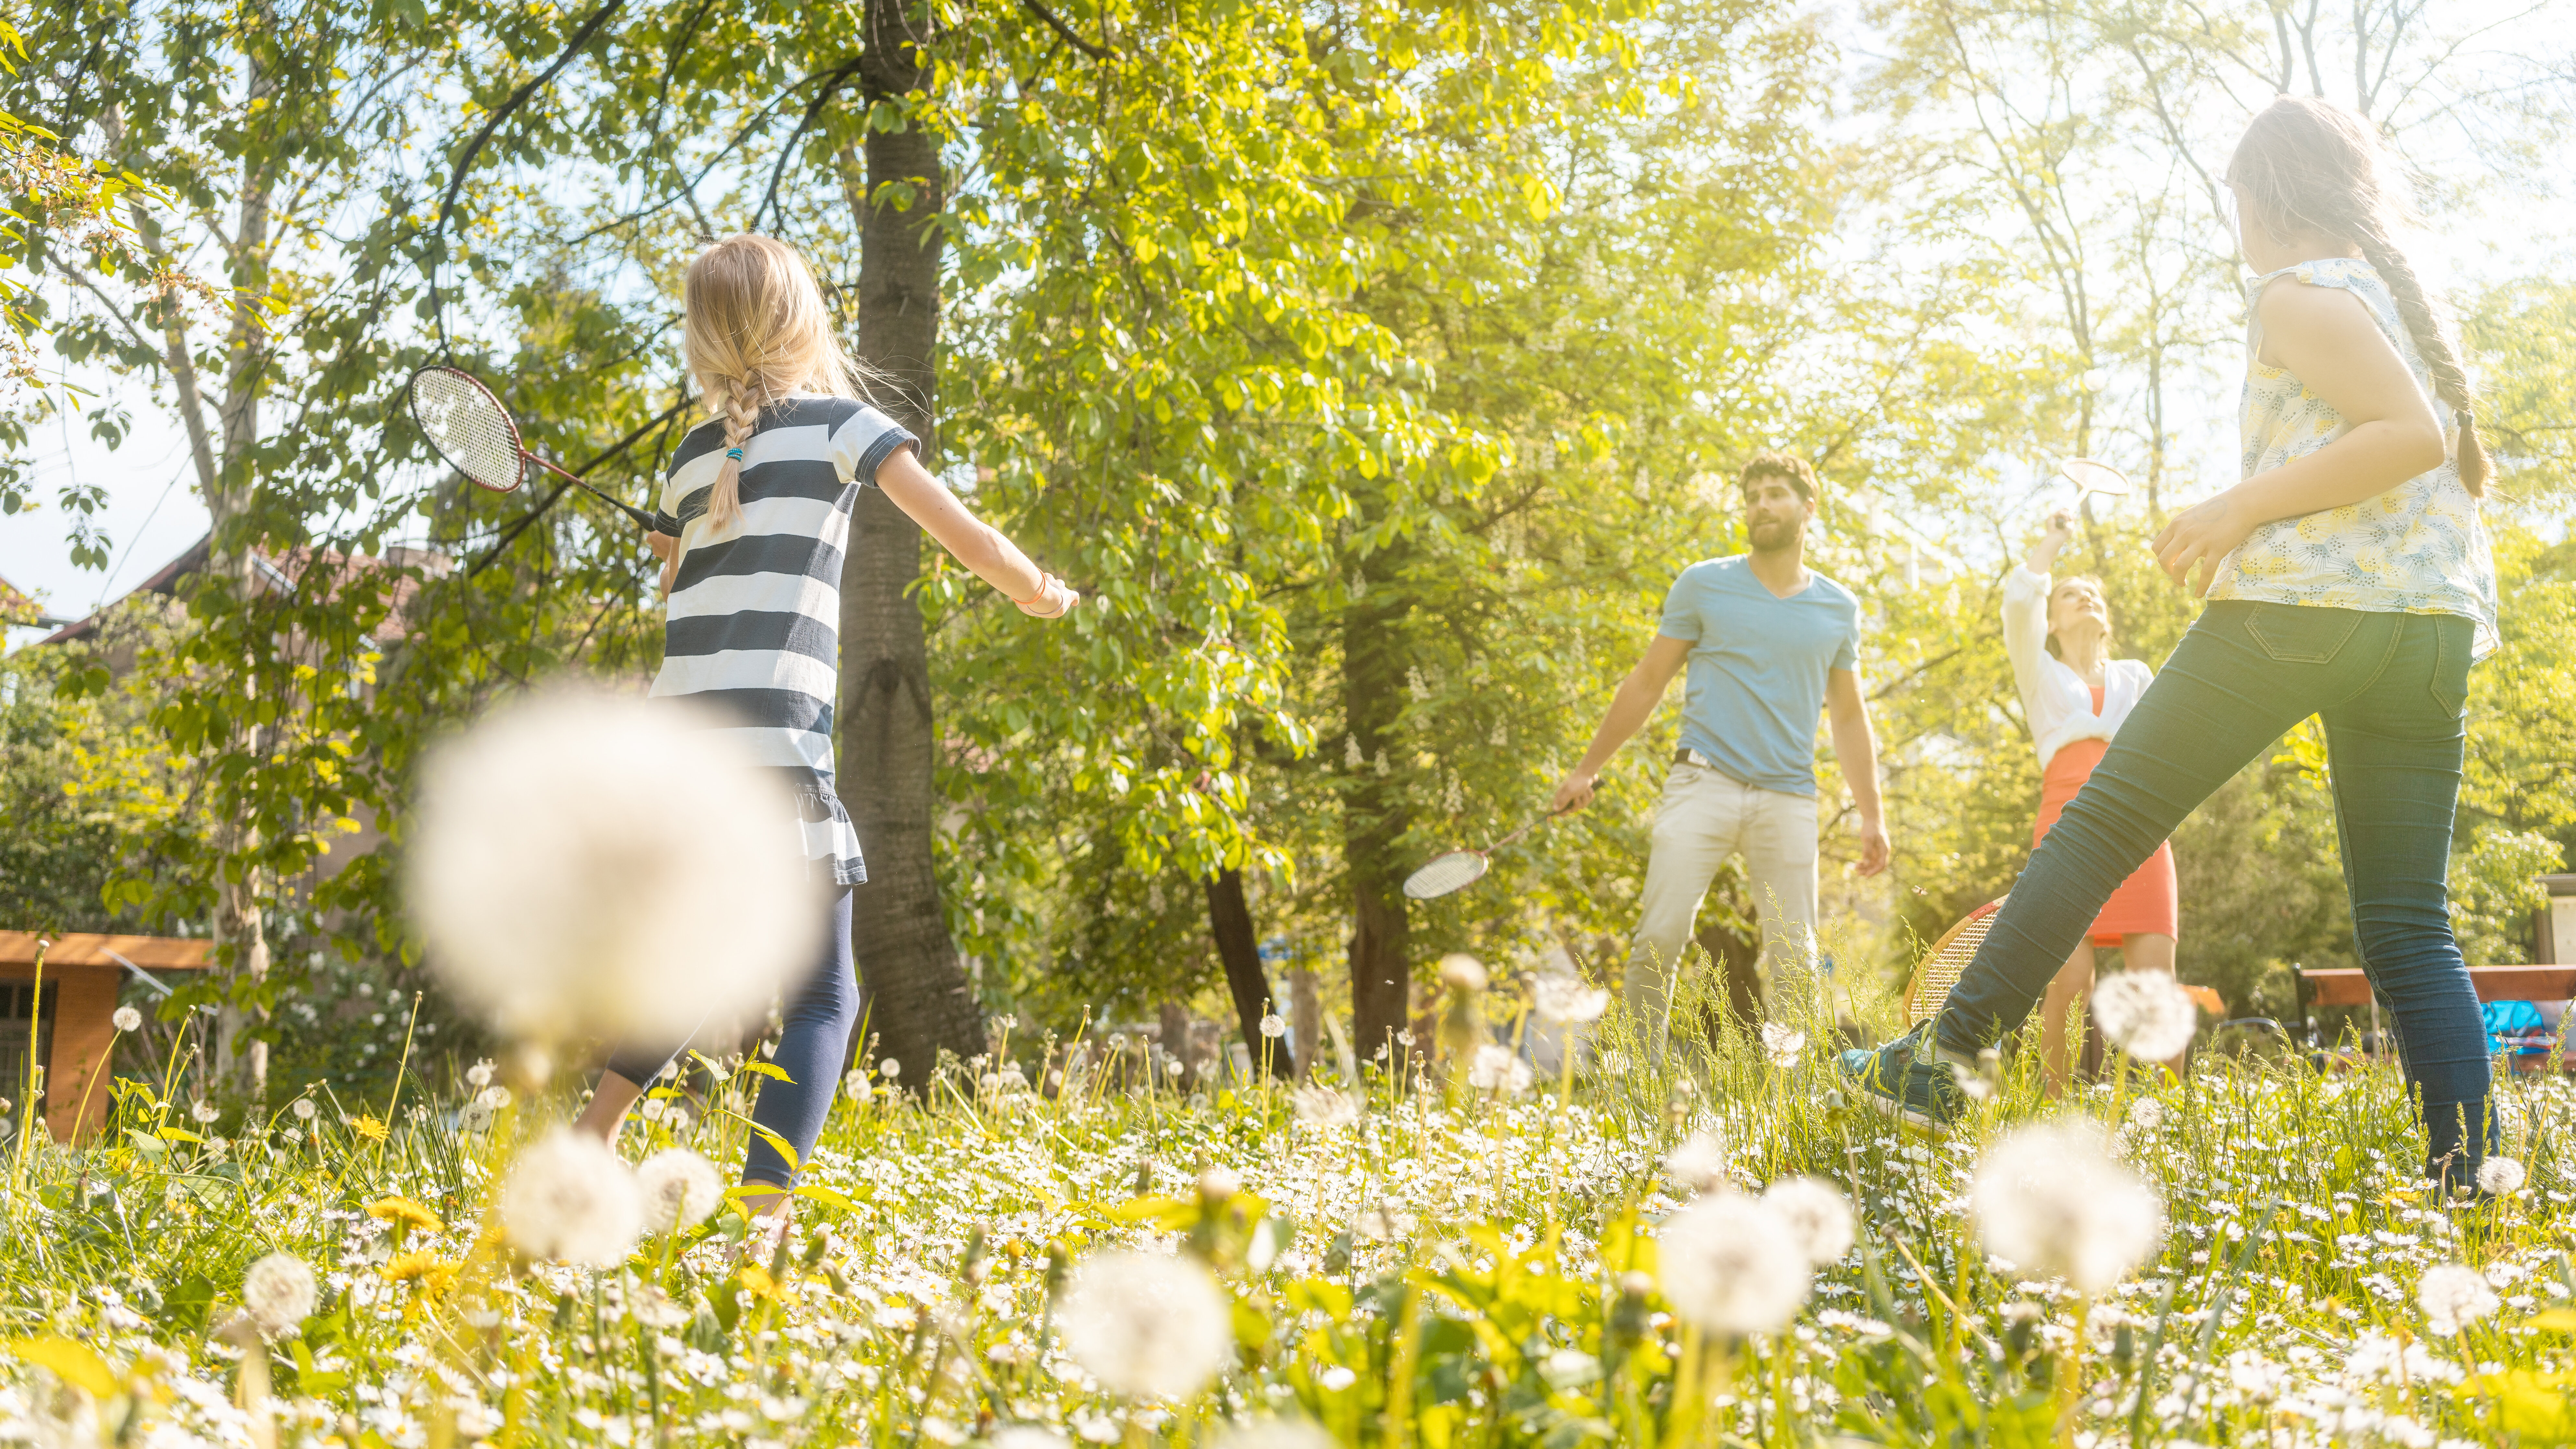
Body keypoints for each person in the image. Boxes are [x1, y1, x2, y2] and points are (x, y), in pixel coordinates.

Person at [1843, 95, 2499, 1192]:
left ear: (2262, 195)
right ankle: (2467, 1180)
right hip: (2425, 634)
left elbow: (2408, 436)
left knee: (2098, 827)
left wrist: (2238, 507)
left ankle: (1941, 1057)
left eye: (2233, 198)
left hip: (2299, 614)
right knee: (2406, 924)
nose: (2232, 219)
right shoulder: (2391, 296)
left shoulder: (2300, 294)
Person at [573, 234, 1078, 1235]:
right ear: (805, 320)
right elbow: (963, 533)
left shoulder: (684, 462)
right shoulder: (847, 428)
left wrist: (675, 545)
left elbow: (678, 585)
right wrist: (1035, 588)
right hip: (773, 755)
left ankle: (588, 1139)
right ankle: (764, 1220)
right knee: (821, 998)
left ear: (702, 339)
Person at [1552, 451, 1891, 1055]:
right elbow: (1647, 681)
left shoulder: (1837, 608)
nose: (1763, 503)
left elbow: (1847, 714)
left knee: (1794, 956)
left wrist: (1872, 813)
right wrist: (1587, 768)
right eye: (1754, 494)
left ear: (1807, 509)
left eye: (1777, 494)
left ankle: (1791, 1104)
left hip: (1789, 794)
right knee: (1658, 934)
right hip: (1702, 782)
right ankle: (1638, 1081)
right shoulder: (1704, 583)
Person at [2003, 511, 2181, 1093]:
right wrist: (2052, 540)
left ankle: (2169, 1124)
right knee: (2069, 978)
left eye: (2092, 594)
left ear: (2107, 620)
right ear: (2050, 621)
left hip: (2138, 824)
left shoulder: (2136, 674)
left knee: (2155, 979)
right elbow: (2016, 607)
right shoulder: (2040, 672)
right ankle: (2054, 1110)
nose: (2083, 599)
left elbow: (2165, 749)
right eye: (2069, 595)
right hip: (2066, 822)